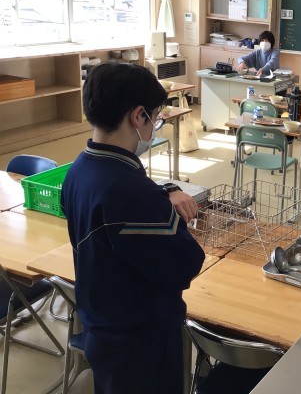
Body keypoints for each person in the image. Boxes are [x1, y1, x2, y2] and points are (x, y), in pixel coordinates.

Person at [61, 62, 205, 394]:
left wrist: (165, 194)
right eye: (154, 118)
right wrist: (174, 220)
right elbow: (185, 264)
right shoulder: (129, 192)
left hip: (101, 327)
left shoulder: (78, 170)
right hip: (140, 341)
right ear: (138, 116)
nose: (154, 127)